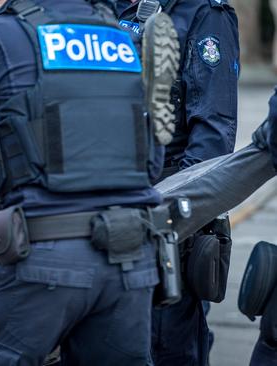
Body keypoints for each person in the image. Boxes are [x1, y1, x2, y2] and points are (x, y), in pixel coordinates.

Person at [0, 0, 181, 364]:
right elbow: (150, 165)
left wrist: (22, 177)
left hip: (42, 254)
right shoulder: (120, 35)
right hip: (131, 253)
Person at [115, 0, 240, 364]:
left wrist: (167, 221)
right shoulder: (109, 9)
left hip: (165, 228)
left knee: (166, 347)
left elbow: (213, 138)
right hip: (106, 217)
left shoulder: (202, 12)